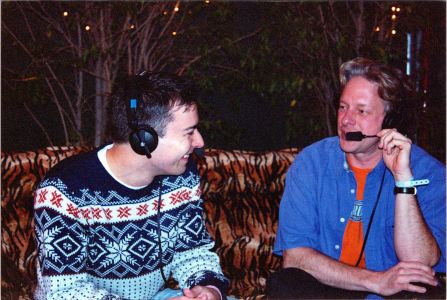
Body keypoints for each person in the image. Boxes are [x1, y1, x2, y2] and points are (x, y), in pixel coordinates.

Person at [33, 72, 229, 300]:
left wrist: (208, 290)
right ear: (145, 140)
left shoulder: (182, 173)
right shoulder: (64, 191)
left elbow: (192, 253)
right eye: (189, 132)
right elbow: (65, 293)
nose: (199, 142)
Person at [267, 57, 446, 299]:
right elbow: (295, 257)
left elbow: (420, 263)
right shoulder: (311, 163)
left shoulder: (426, 171)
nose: (346, 120)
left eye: (361, 111)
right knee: (285, 283)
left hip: (392, 295)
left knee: (425, 290)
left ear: (390, 121)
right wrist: (375, 281)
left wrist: (403, 180)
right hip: (328, 287)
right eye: (343, 107)